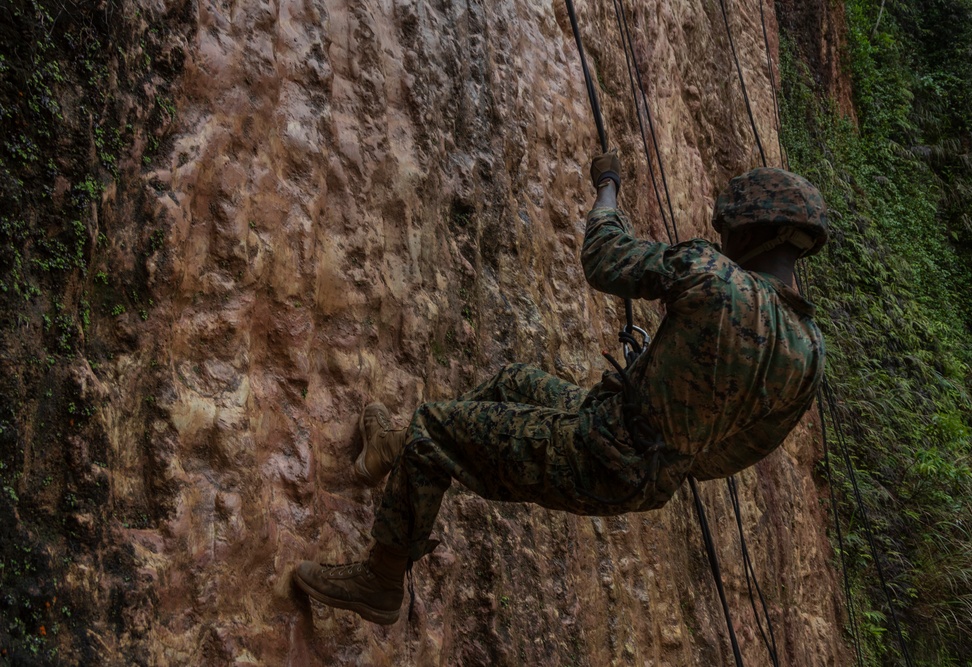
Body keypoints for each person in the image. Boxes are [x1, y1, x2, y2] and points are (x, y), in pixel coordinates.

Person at [293, 152, 828, 625]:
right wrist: (658, 414)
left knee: (433, 431)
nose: (722, 239)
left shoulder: (712, 274)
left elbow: (604, 257)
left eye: (729, 229)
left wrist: (609, 186)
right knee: (513, 382)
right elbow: (735, 452)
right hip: (639, 472)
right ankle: (388, 447)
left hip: (594, 448)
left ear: (755, 232)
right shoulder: (808, 353)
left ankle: (380, 579)